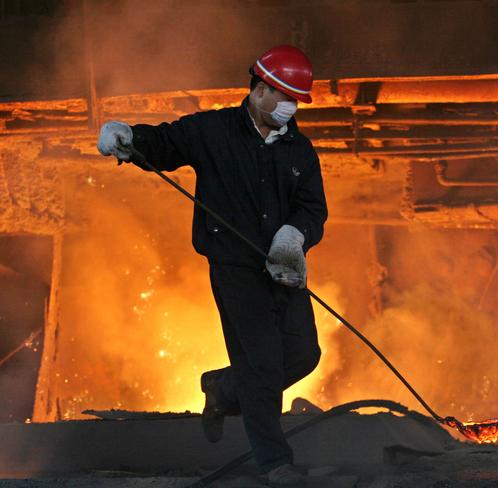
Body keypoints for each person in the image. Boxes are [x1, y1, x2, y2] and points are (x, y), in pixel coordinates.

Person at [97, 45, 327, 485]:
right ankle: (275, 463)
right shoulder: (213, 131)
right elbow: (165, 143)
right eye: (284, 96)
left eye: (297, 100)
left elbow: (313, 209)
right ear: (258, 90)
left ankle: (222, 389)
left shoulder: (299, 149)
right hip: (235, 269)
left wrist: (295, 235)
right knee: (260, 363)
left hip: (284, 269)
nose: (290, 108)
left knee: (303, 354)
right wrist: (128, 138)